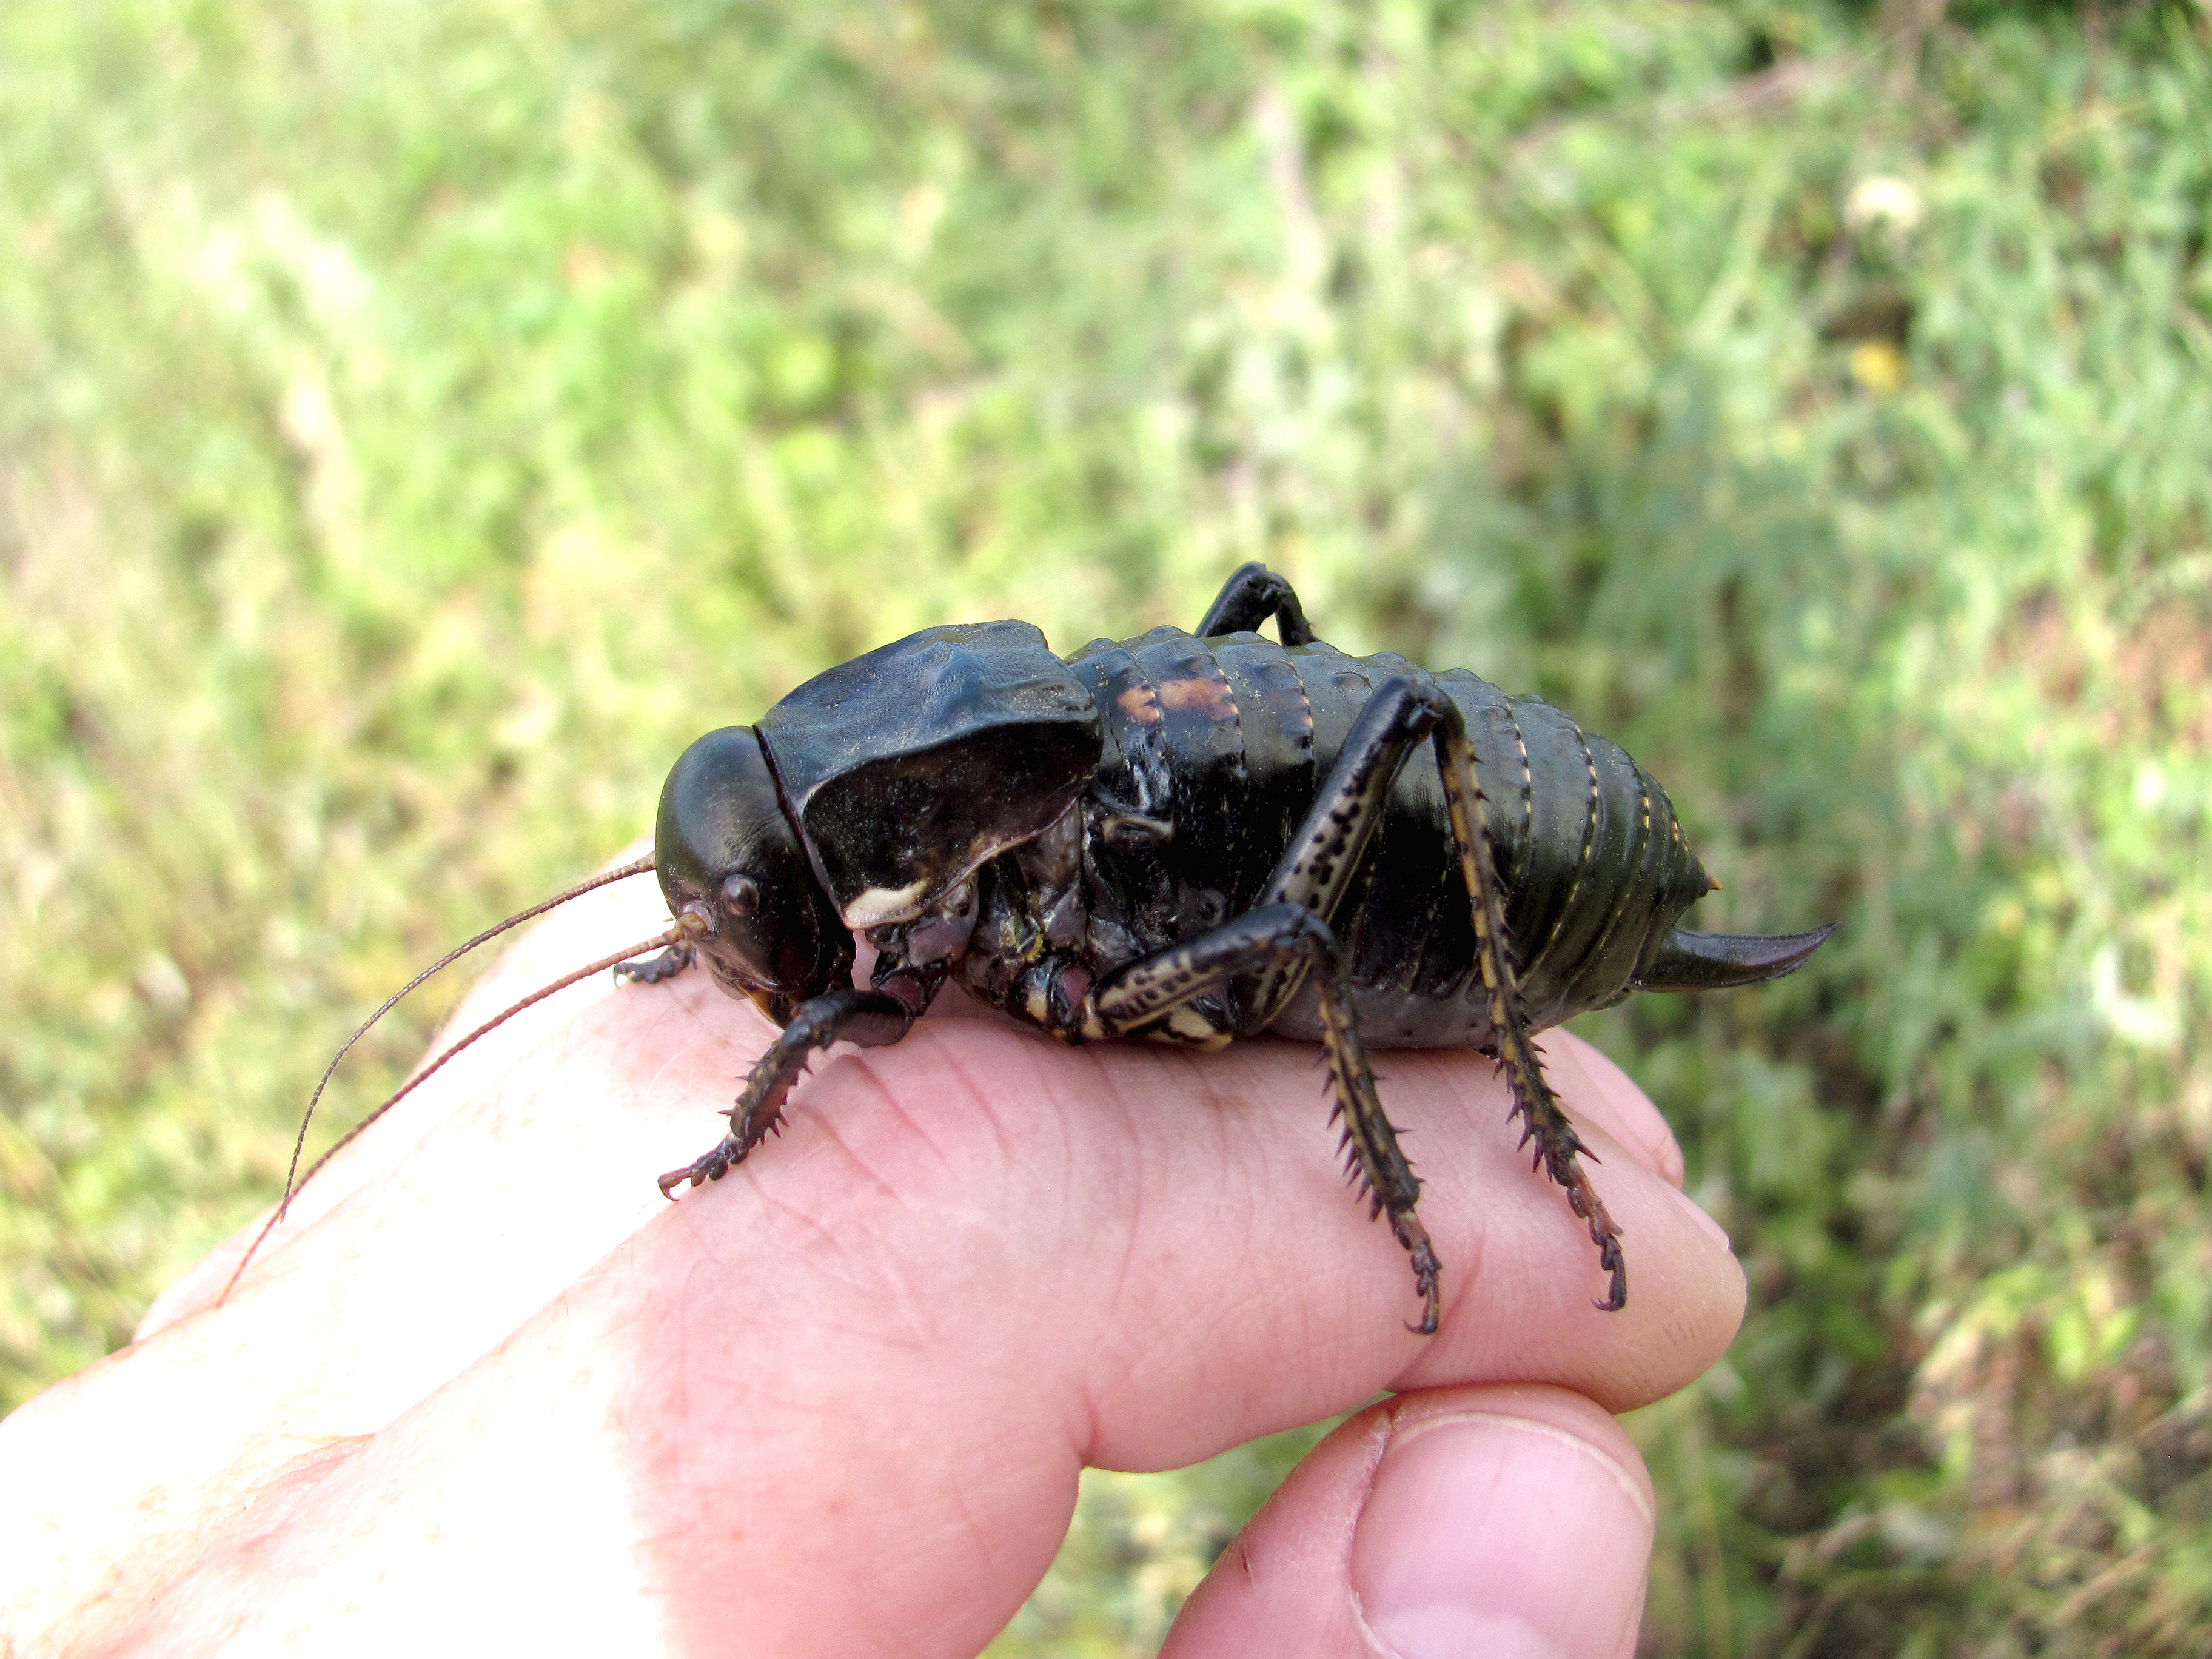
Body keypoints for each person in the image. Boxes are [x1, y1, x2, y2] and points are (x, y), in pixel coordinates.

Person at [0, 866, 1743, 1658]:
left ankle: (1475, 1147)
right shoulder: (927, 881)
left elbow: (1285, 918)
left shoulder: (1013, 888)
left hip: (1443, 848)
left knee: (1287, 919)